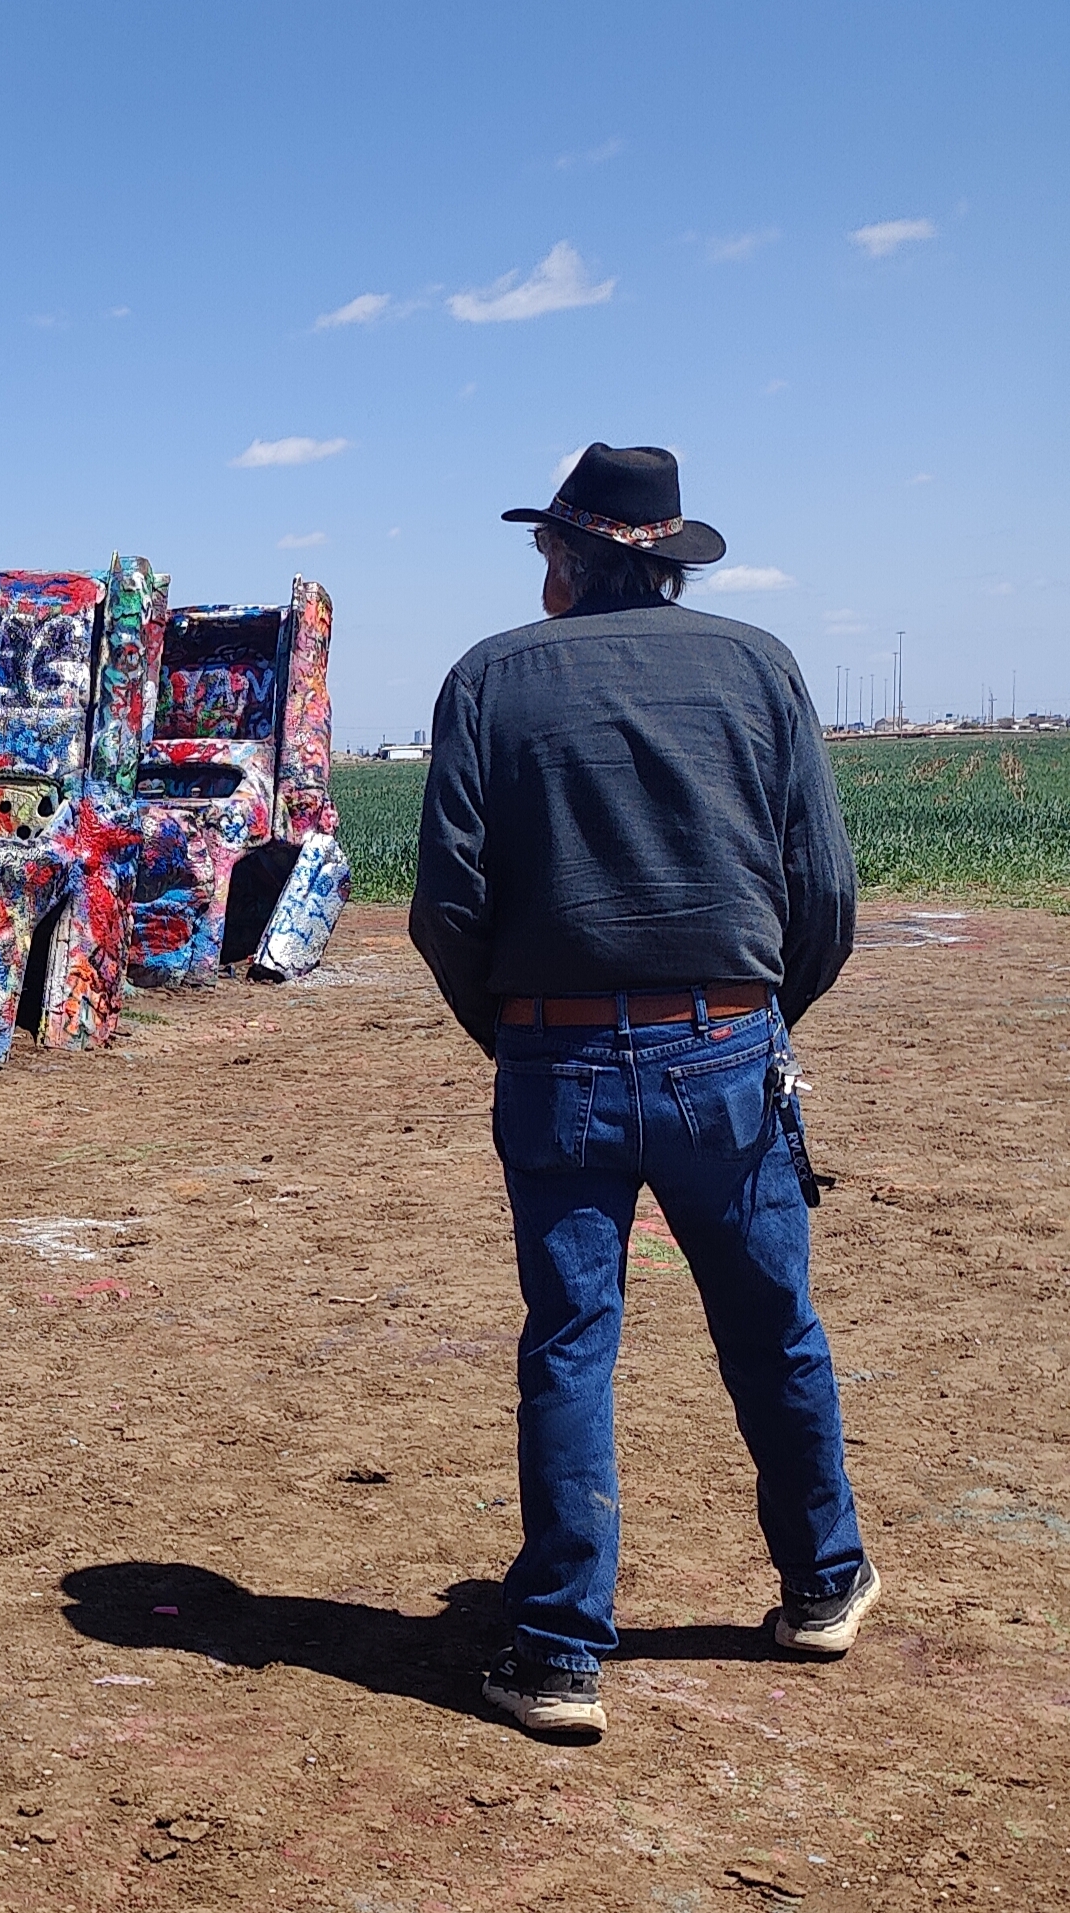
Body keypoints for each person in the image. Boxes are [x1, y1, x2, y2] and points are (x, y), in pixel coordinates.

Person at [409, 443, 874, 1741]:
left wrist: (518, 1036)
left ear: (569, 557)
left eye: (544, 549)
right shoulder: (759, 666)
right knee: (772, 1322)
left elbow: (447, 907)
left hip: (553, 1058)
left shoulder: (490, 679)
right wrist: (755, 1018)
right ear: (665, 562)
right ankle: (824, 1581)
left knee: (570, 1342)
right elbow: (824, 892)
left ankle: (560, 1654)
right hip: (723, 1047)